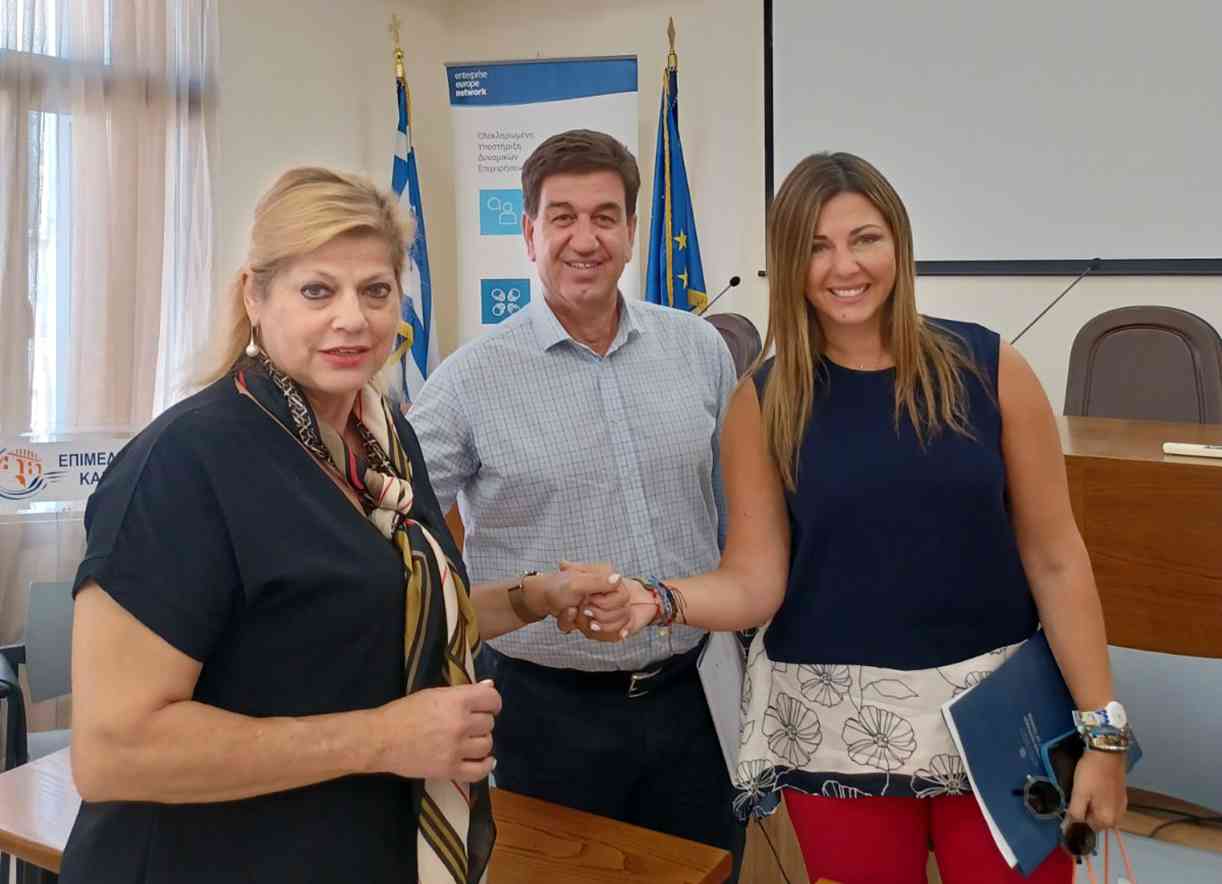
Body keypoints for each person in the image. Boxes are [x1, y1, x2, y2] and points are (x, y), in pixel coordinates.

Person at [63, 167, 627, 884]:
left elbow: (382, 616)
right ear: (255, 296)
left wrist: (533, 597)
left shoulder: (382, 439)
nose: (353, 319)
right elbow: (113, 752)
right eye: (317, 291)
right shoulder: (184, 462)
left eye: (375, 291)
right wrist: (379, 739)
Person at [704, 152, 1129, 884]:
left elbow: (1057, 558)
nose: (844, 266)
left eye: (864, 238)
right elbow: (753, 578)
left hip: (1001, 714)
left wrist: (1103, 734)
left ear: (898, 243)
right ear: (790, 262)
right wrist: (658, 600)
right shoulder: (763, 401)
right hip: (835, 728)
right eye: (816, 246)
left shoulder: (991, 367)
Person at [409, 130, 787, 880]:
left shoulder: (699, 351)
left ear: (632, 230)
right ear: (529, 232)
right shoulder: (468, 381)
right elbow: (400, 540)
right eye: (562, 217)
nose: (585, 239)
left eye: (605, 216)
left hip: (693, 701)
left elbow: (738, 525)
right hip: (544, 717)